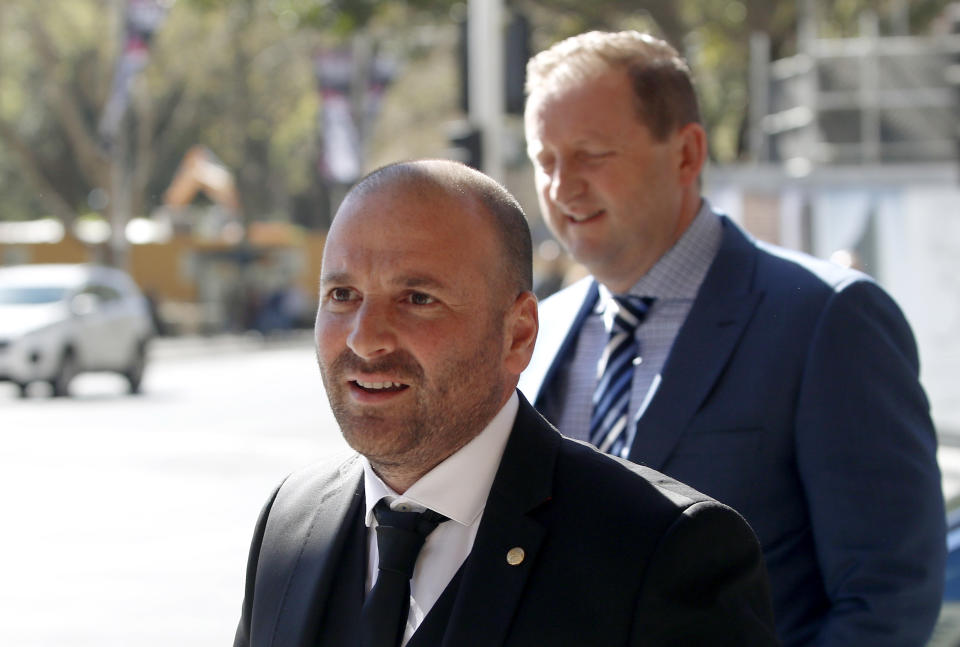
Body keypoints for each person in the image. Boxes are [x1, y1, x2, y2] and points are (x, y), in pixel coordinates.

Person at [234, 159, 777, 646]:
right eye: (342, 295)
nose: (364, 338)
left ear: (518, 335)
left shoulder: (662, 551)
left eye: (418, 299)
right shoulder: (292, 519)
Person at [518, 30, 946, 647]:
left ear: (687, 154)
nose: (562, 186)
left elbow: (887, 595)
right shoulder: (541, 332)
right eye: (546, 160)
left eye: (591, 154)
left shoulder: (828, 319)